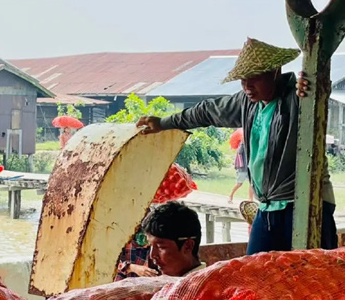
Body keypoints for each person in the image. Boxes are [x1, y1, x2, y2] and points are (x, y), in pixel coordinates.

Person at [136, 38, 337, 255]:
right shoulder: (247, 102)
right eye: (243, 80)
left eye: (254, 78)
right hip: (267, 208)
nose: (247, 86)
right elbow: (206, 111)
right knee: (255, 275)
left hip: (305, 204)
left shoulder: (299, 97)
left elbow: (319, 97)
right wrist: (164, 123)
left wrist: (314, 90)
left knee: (313, 275)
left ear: (275, 72)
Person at [117, 202, 206, 279]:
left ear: (188, 246)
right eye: (150, 246)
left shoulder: (203, 288)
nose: (152, 255)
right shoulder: (168, 285)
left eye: (160, 247)